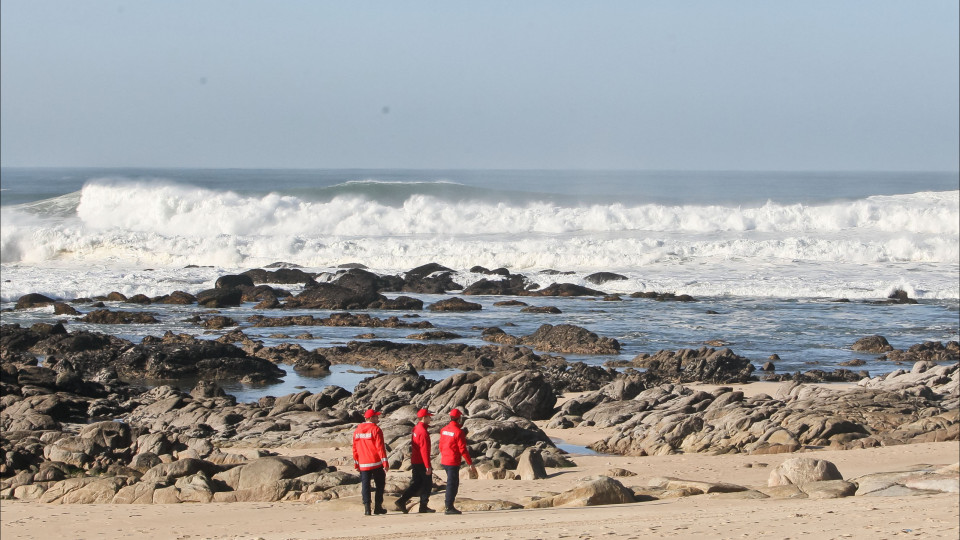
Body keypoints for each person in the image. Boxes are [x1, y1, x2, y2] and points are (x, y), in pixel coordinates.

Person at [393, 408, 436, 514]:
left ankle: (402, 500)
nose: (430, 419)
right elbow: (424, 450)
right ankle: (423, 506)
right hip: (421, 461)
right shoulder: (423, 432)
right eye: (428, 417)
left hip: (415, 460)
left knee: (416, 484)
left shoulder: (416, 428)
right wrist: (427, 466)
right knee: (427, 484)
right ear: (424, 418)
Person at [438, 408, 476, 515]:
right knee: (452, 484)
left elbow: (440, 445)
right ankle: (448, 506)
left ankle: (449, 505)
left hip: (445, 459)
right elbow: (463, 449)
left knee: (452, 483)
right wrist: (470, 463)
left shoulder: (444, 429)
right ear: (459, 418)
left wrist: (444, 454)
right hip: (453, 461)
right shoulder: (458, 432)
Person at [352, 409, 389, 516]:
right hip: (376, 462)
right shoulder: (376, 429)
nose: (378, 418)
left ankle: (367, 508)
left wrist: (356, 463)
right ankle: (378, 507)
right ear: (371, 418)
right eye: (376, 417)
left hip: (363, 463)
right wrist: (385, 463)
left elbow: (355, 448)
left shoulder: (357, 430)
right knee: (380, 485)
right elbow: (380, 447)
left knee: (365, 486)